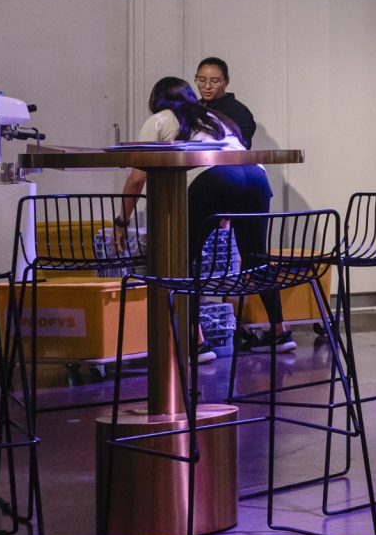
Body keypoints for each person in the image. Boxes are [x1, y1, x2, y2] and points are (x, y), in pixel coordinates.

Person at [120, 77, 287, 352]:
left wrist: (121, 222)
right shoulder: (216, 118)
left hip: (215, 177)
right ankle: (280, 332)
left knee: (183, 260)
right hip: (256, 175)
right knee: (256, 257)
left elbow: (137, 180)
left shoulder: (160, 120)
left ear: (156, 101)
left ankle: (196, 341)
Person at [193, 56, 256, 143]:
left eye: (215, 81)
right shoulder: (193, 108)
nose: (207, 86)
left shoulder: (238, 111)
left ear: (227, 81)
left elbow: (240, 146)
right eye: (202, 80)